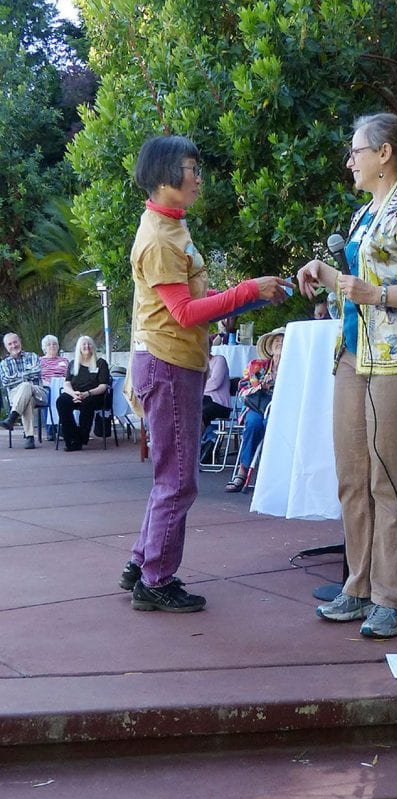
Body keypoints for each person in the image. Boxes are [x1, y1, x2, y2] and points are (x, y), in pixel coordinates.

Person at [297, 112, 397, 639]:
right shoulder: (367, 214)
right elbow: (360, 284)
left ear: (385, 154)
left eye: (356, 151)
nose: (350, 160)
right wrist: (324, 275)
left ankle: (394, 596)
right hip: (355, 357)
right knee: (353, 478)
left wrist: (380, 295)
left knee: (388, 480)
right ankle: (360, 586)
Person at [120, 134, 289, 614]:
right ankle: (156, 580)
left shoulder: (173, 227)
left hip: (176, 362)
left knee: (168, 477)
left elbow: (195, 302)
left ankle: (142, 562)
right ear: (165, 176)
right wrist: (246, 290)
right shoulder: (158, 237)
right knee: (179, 481)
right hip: (169, 364)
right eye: (191, 169)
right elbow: (185, 312)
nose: (198, 178)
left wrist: (254, 295)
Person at [225, 327, 284, 492]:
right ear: (270, 348)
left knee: (272, 424)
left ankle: (273, 474)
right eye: (276, 342)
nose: (279, 344)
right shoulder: (258, 366)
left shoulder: (296, 367)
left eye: (283, 341)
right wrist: (261, 386)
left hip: (283, 410)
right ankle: (243, 471)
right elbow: (243, 388)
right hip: (258, 407)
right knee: (254, 423)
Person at [55, 336, 110, 451]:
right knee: (62, 402)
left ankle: (82, 438)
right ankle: (72, 437)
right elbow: (67, 384)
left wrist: (87, 393)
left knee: (87, 403)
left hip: (94, 395)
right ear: (79, 348)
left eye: (89, 344)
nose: (87, 347)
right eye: (83, 344)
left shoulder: (101, 363)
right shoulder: (73, 363)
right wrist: (74, 394)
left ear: (93, 346)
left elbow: (103, 386)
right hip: (75, 394)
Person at [0, 332, 46, 448]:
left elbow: (37, 371)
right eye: (10, 344)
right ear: (6, 347)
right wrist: (26, 376)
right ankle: (29, 437)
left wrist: (17, 377)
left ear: (20, 342)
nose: (13, 346)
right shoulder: (4, 363)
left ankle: (12, 417)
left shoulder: (32, 356)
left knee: (26, 386)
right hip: (16, 395)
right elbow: (5, 381)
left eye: (15, 342)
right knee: (27, 397)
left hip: (37, 392)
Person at [200, 351, 231, 463]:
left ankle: (194, 450)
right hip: (202, 401)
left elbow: (215, 382)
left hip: (218, 403)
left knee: (198, 414)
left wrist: (193, 388)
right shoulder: (195, 363)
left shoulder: (219, 360)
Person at [40, 334, 70, 440]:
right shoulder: (40, 361)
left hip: (63, 386)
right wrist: (49, 384)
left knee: (65, 395)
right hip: (47, 386)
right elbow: (39, 378)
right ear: (44, 348)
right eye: (49, 344)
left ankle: (63, 426)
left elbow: (69, 375)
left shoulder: (64, 361)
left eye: (54, 344)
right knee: (49, 394)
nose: (52, 346)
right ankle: (51, 428)